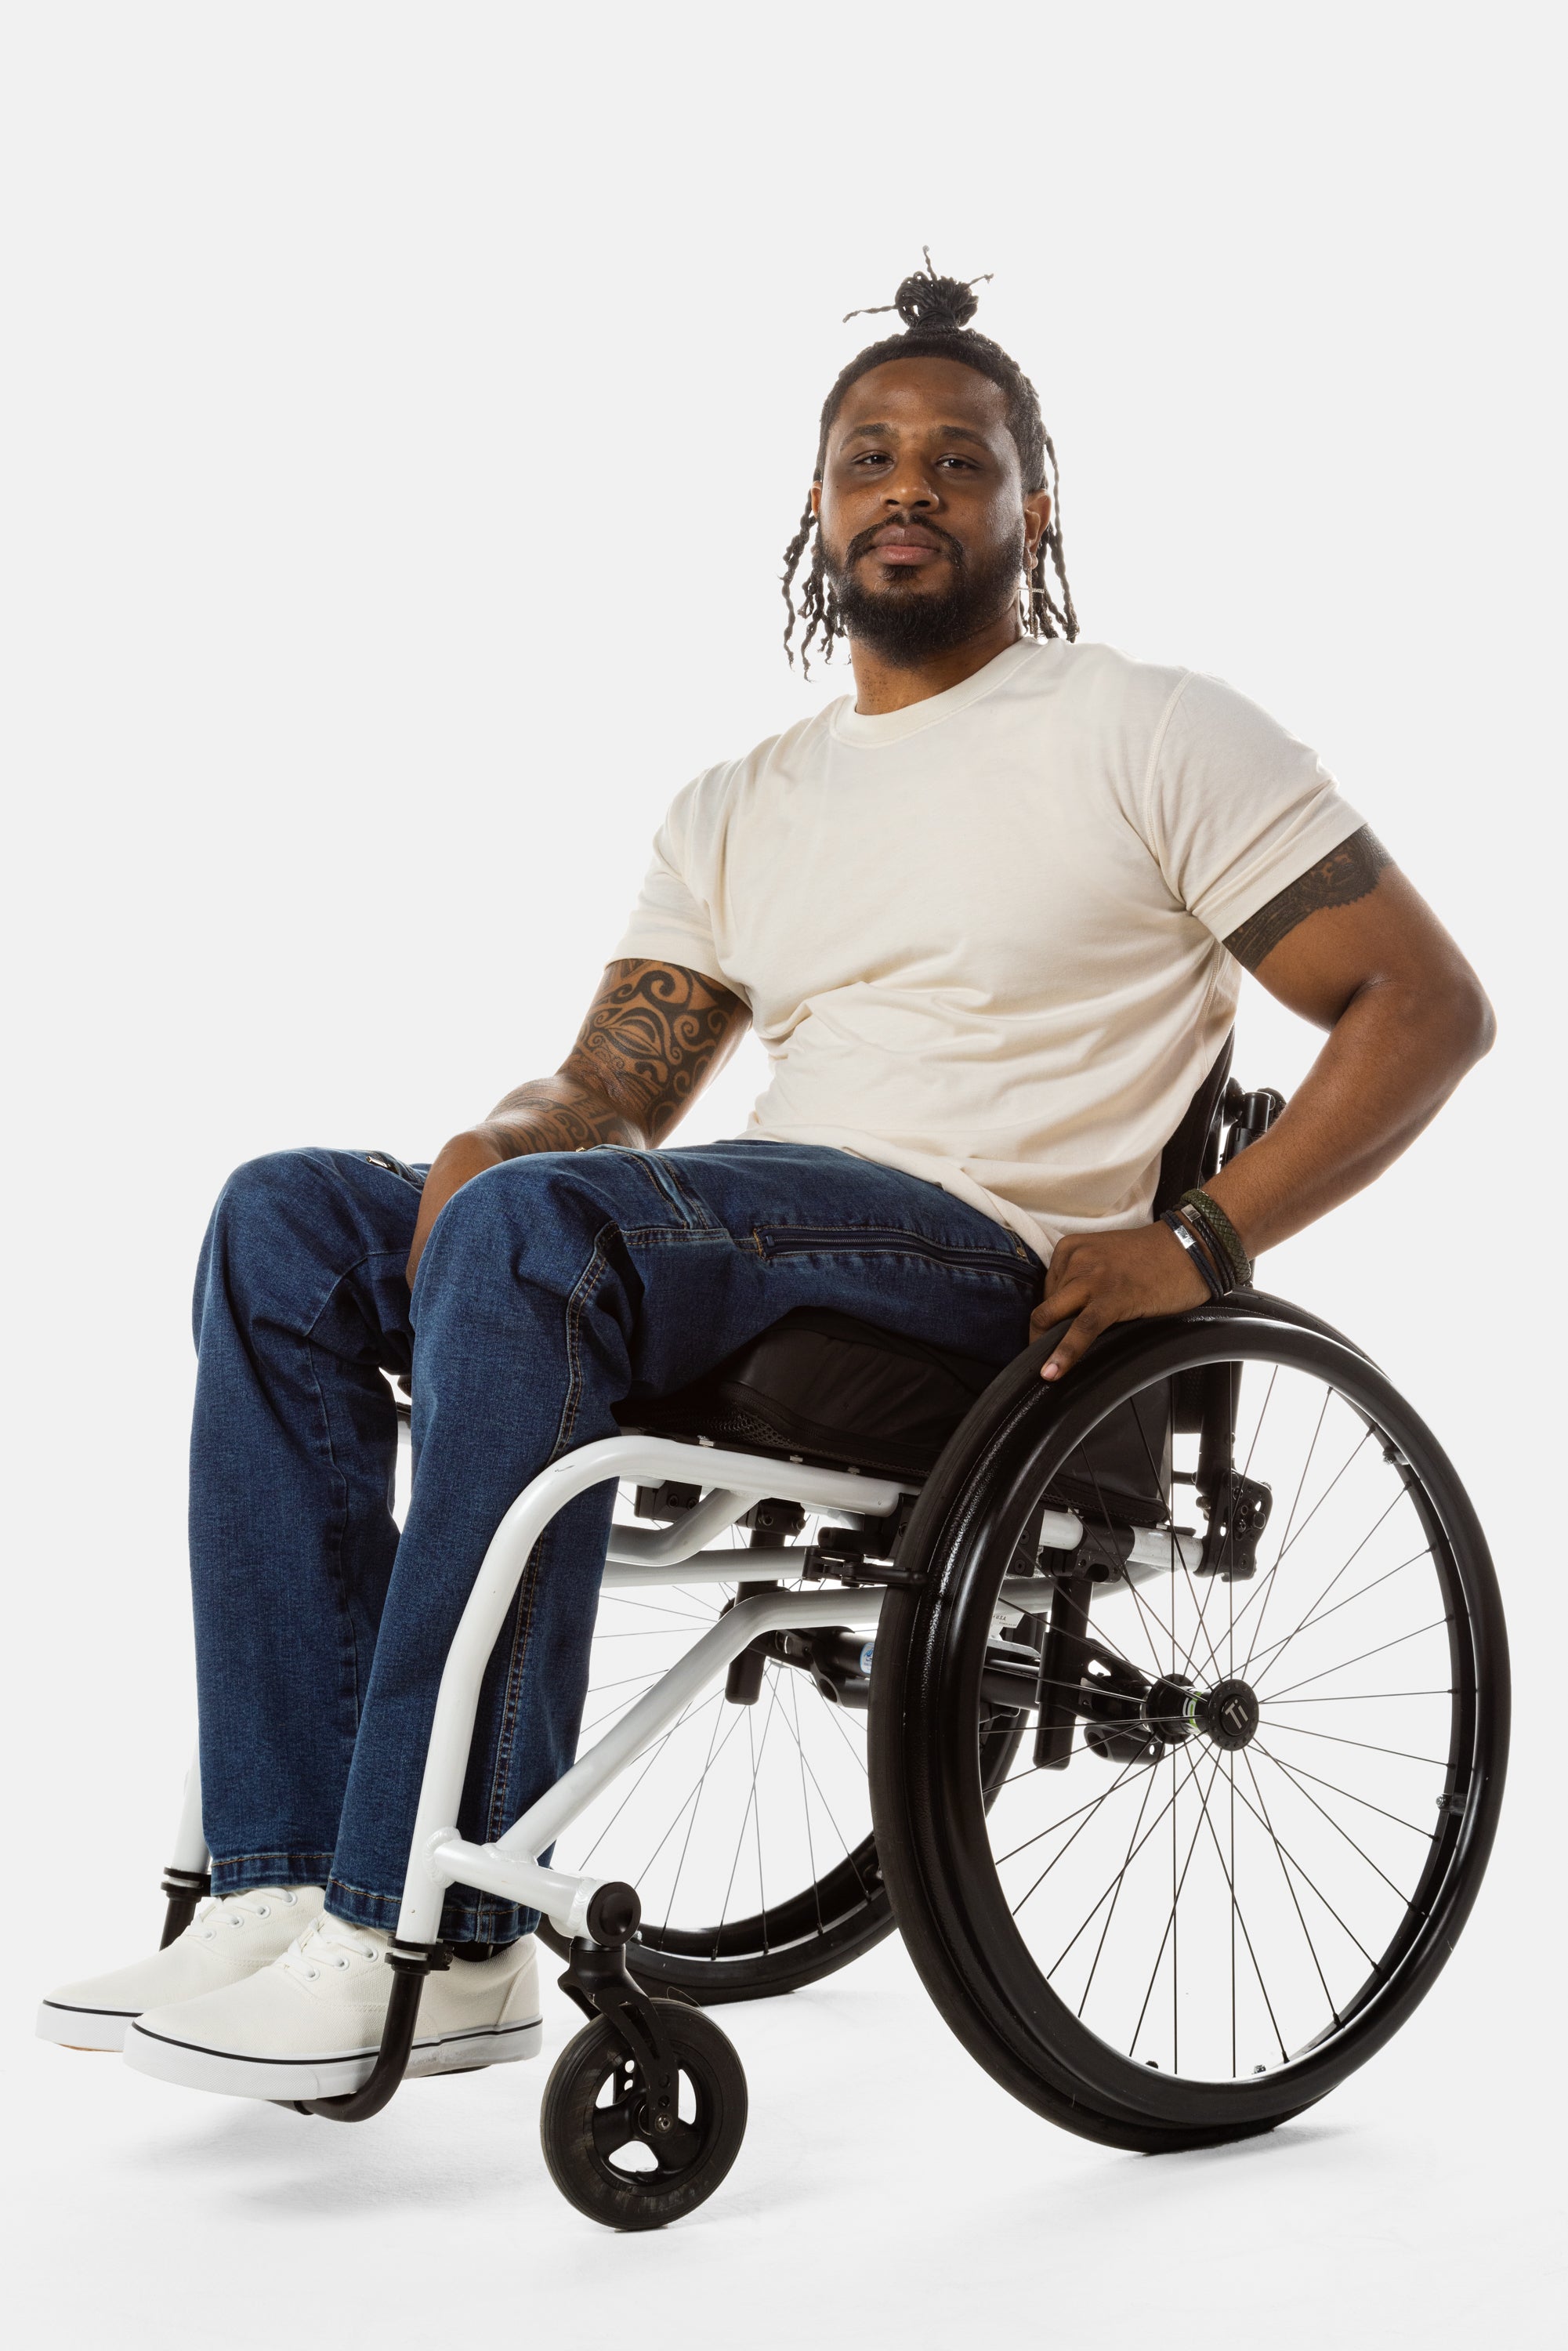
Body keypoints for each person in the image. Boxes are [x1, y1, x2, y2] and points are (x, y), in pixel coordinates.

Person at [38, 261, 1493, 2099]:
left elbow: (1423, 1005)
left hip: (989, 1259)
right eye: (866, 457)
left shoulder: (1151, 728)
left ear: (1030, 510)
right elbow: (604, 1091)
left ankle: (443, 1929)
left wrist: (1198, 1244)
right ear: (809, 511)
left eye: (957, 461)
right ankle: (269, 1885)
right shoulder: (744, 800)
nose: (908, 487)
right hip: (744, 1228)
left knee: (535, 1233)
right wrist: (504, 1127)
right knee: (287, 1219)